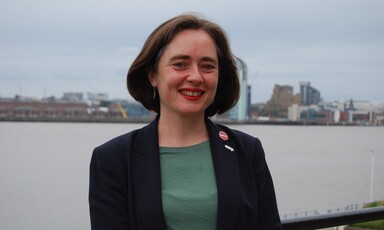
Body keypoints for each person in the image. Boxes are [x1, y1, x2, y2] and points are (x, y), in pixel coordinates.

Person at [89, 14, 282, 230]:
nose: (196, 77)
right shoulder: (112, 159)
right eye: (181, 64)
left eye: (207, 66)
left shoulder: (247, 151)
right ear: (153, 75)